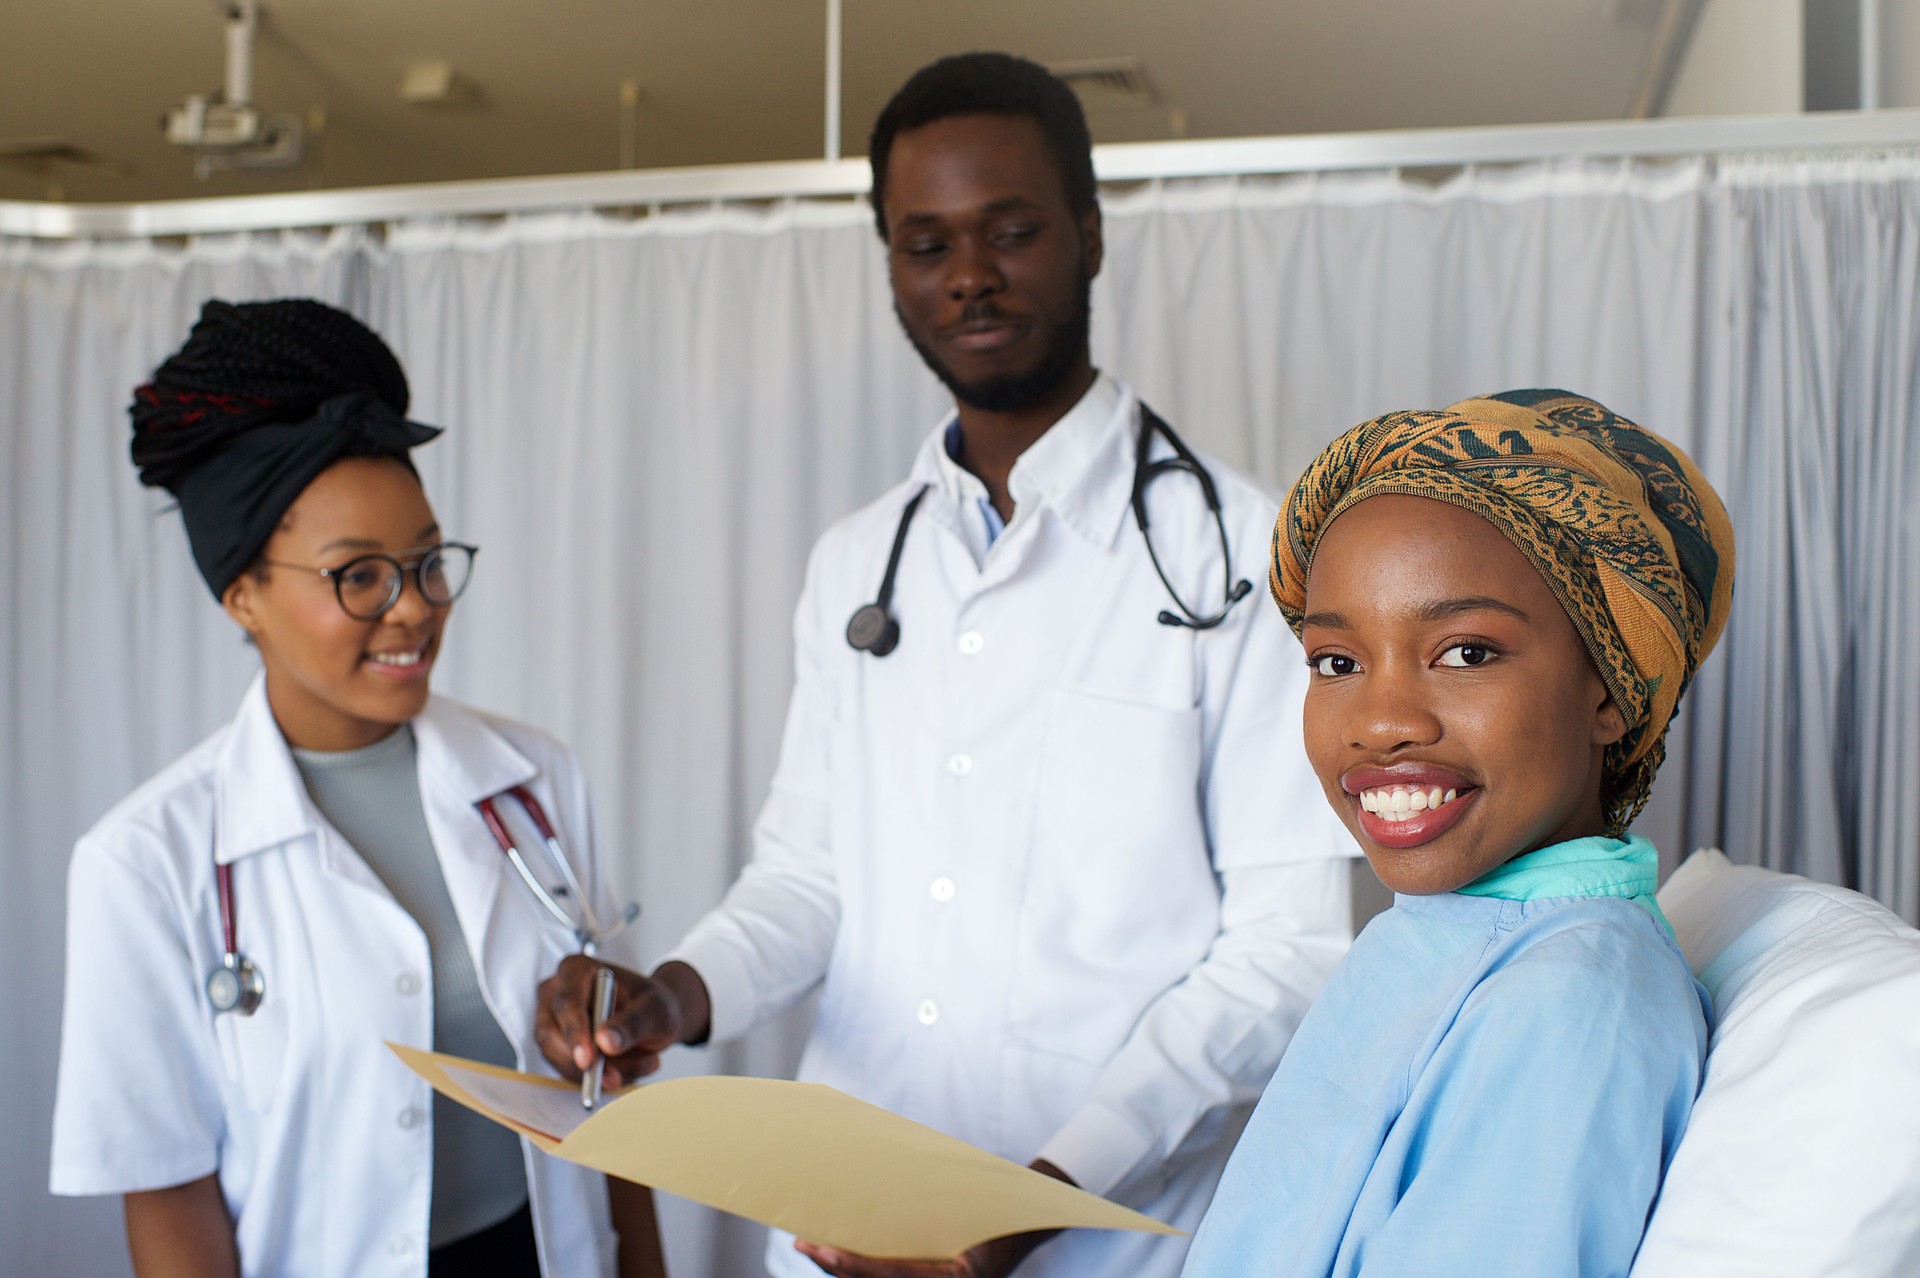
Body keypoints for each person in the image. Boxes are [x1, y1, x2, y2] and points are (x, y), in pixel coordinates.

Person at [536, 52, 1356, 1278]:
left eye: (1011, 230)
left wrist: (1034, 1197)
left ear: (1088, 236)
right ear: (889, 268)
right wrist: (674, 994)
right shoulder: (860, 562)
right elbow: (809, 877)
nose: (969, 276)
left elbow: (1287, 952)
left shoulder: (1244, 556)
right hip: (839, 1226)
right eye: (925, 245)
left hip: (1100, 1241)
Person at [48, 299, 665, 1278]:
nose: (413, 606)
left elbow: (618, 1087)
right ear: (241, 593)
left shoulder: (535, 779)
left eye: (426, 562)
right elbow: (169, 1195)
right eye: (358, 577)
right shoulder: (144, 861)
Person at [1180, 390, 1733, 1277]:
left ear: (1609, 691)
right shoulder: (1455, 929)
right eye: (1337, 662)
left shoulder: (1567, 1004)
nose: (1379, 721)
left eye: (1466, 653)